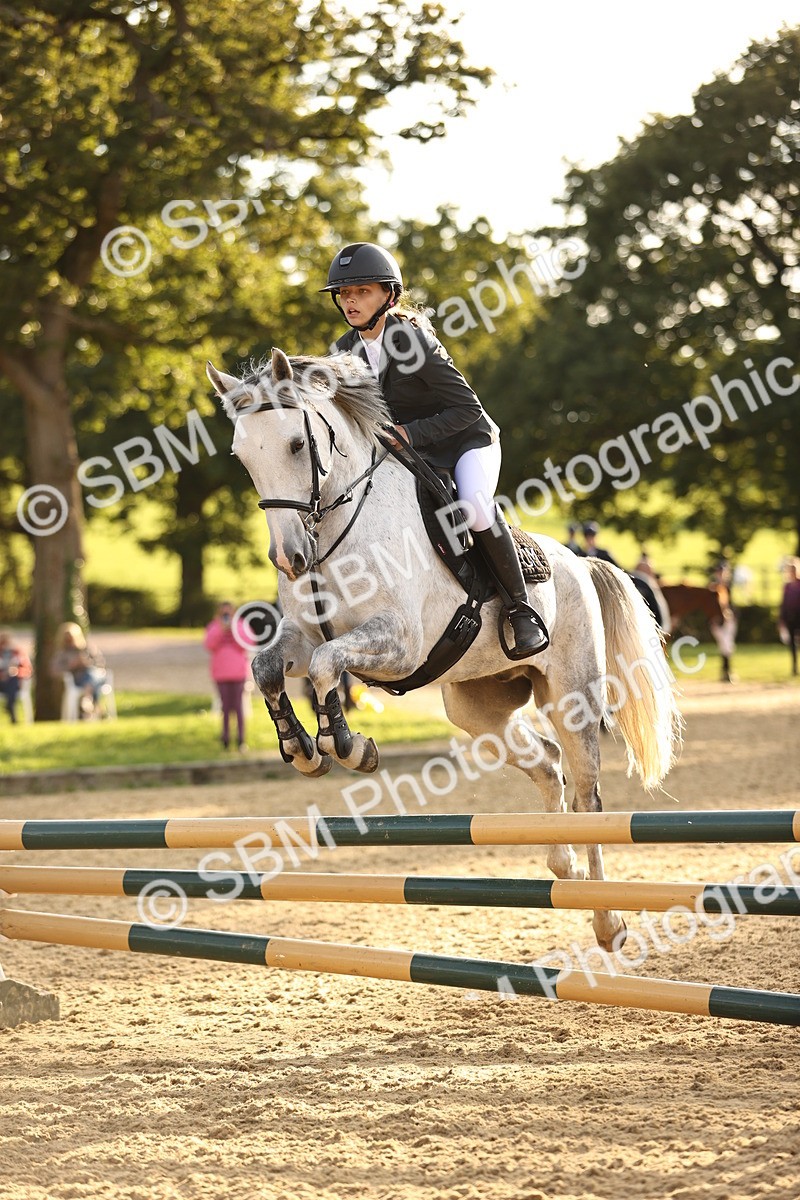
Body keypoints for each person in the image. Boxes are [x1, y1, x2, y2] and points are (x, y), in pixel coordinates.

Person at [323, 241, 547, 659]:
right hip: (413, 454)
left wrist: (411, 433)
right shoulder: (343, 351)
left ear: (388, 295)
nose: (350, 301)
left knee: (476, 507)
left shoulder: (412, 341)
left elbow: (467, 408)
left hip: (466, 441)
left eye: (362, 292)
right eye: (344, 294)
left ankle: (521, 610)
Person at [204, 601, 252, 750]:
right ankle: (225, 737)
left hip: (238, 672)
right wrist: (221, 630)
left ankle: (241, 738)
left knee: (238, 706)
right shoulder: (214, 626)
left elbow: (248, 643)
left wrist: (233, 629)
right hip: (221, 673)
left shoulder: (241, 625)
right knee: (225, 707)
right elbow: (209, 645)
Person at [51, 623, 108, 717]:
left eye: (71, 638)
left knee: (91, 673)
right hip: (79, 679)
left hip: (97, 676)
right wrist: (71, 666)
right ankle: (96, 706)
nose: (69, 641)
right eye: (66, 639)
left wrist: (87, 663)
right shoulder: (63, 653)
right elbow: (54, 670)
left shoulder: (87, 649)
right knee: (90, 679)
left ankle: (87, 699)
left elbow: (100, 663)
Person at [0, 631, 31, 724]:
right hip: (1, 683)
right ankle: (11, 711)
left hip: (14, 682)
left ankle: (10, 708)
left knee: (12, 681)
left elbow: (26, 669)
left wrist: (15, 672)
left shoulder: (17, 653)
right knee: (9, 683)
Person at [778, 559, 800, 676]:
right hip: (790, 618)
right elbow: (784, 604)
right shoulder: (787, 587)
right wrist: (781, 620)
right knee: (792, 643)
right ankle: (794, 667)